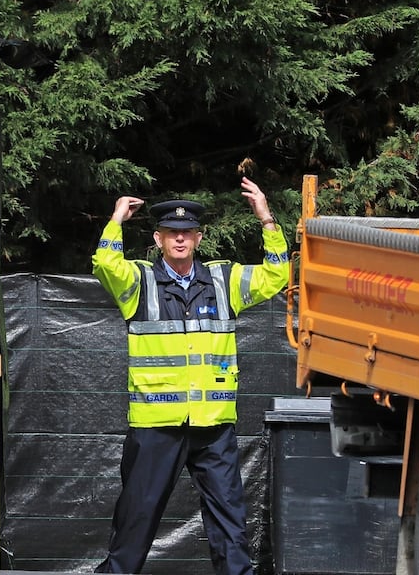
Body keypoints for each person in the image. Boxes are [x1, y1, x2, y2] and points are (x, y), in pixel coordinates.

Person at [91, 177, 290, 575]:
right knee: (137, 517)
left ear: (198, 238)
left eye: (186, 233)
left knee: (229, 519)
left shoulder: (224, 281)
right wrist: (115, 222)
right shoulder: (139, 282)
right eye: (171, 234)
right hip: (156, 426)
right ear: (158, 239)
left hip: (212, 425)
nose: (179, 240)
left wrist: (267, 220)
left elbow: (277, 276)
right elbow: (105, 265)